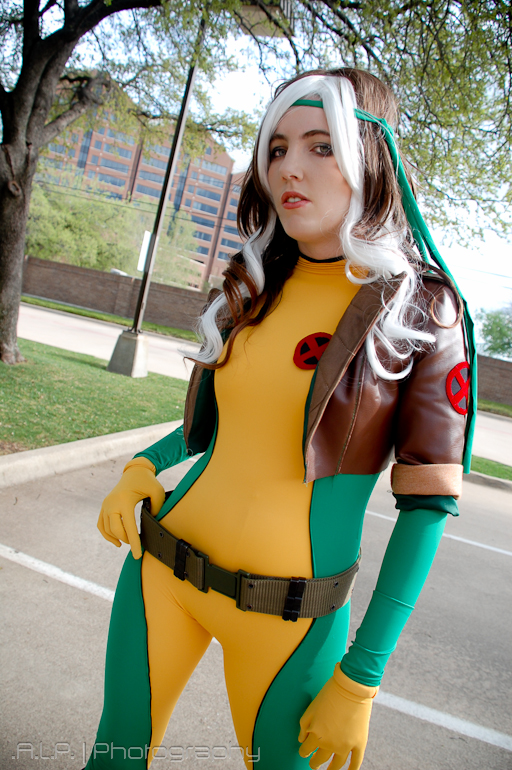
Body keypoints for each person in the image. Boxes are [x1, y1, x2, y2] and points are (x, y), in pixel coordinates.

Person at [87, 68, 475, 770]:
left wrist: (360, 679)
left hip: (291, 620)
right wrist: (143, 466)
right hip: (161, 570)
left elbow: (428, 506)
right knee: (113, 758)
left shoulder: (421, 310)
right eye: (277, 148)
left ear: (370, 158)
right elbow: (218, 430)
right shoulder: (256, 281)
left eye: (321, 146)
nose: (289, 168)